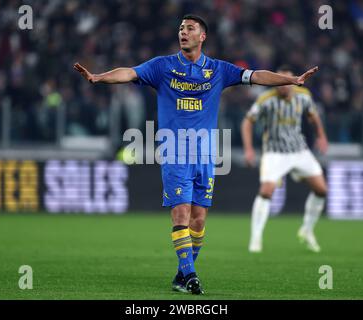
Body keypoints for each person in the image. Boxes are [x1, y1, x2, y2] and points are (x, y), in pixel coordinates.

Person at [74, 15, 318, 295]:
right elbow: (128, 72)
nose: (183, 32)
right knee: (181, 212)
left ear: (202, 36)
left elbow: (256, 75)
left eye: (190, 29)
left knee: (199, 219)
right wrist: (98, 77)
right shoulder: (162, 66)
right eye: (180, 28)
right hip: (174, 151)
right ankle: (191, 276)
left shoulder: (217, 69)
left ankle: (181, 274)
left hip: (205, 154)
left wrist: (292, 80)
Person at [241, 65, 328, 254]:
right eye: (281, 82)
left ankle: (306, 230)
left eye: (288, 82)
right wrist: (248, 149)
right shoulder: (266, 99)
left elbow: (314, 116)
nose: (284, 86)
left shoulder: (303, 96)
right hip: (275, 152)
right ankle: (256, 238)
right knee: (266, 192)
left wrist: (321, 136)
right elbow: (248, 121)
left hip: (299, 150)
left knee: (321, 190)